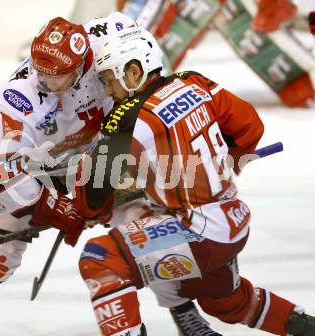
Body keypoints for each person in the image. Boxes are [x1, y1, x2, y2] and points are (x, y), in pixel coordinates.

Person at [72, 26, 315, 336]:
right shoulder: (193, 82)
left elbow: (93, 196)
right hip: (232, 222)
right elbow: (250, 126)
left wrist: (89, 212)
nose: (108, 91)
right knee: (227, 303)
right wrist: (220, 164)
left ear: (133, 71)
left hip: (196, 232)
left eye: (109, 79)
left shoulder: (125, 118)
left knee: (101, 258)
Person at [0, 12, 137, 336]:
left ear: (80, 66)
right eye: (40, 70)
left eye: (57, 76)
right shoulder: (19, 94)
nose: (46, 81)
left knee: (143, 221)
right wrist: (52, 207)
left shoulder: (111, 40)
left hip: (104, 152)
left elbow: (145, 68)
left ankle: (182, 309)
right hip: (41, 167)